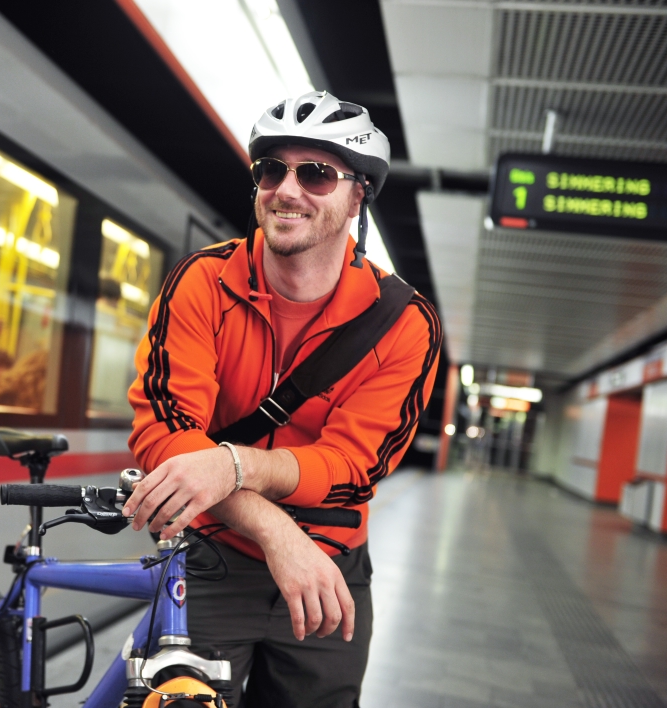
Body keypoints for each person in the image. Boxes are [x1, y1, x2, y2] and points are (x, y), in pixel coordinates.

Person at [122, 91, 442, 707]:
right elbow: (165, 434)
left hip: (331, 573)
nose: (287, 189)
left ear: (358, 196)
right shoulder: (202, 282)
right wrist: (275, 531)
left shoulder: (404, 323)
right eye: (273, 170)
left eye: (317, 173)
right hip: (210, 561)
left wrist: (230, 463)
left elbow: (352, 468)